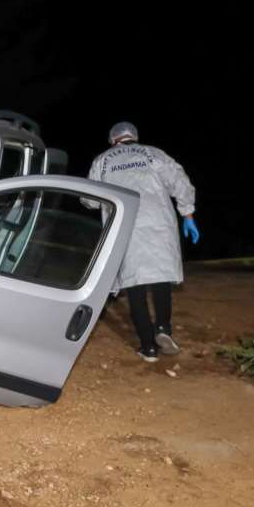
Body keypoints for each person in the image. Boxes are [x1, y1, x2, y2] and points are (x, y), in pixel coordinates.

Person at [88, 122, 199, 362]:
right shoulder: (153, 154)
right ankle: (163, 329)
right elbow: (180, 182)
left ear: (113, 140)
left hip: (125, 225)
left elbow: (91, 201)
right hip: (158, 223)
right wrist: (188, 215)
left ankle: (148, 347)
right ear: (134, 137)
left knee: (135, 284)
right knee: (160, 277)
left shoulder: (102, 161)